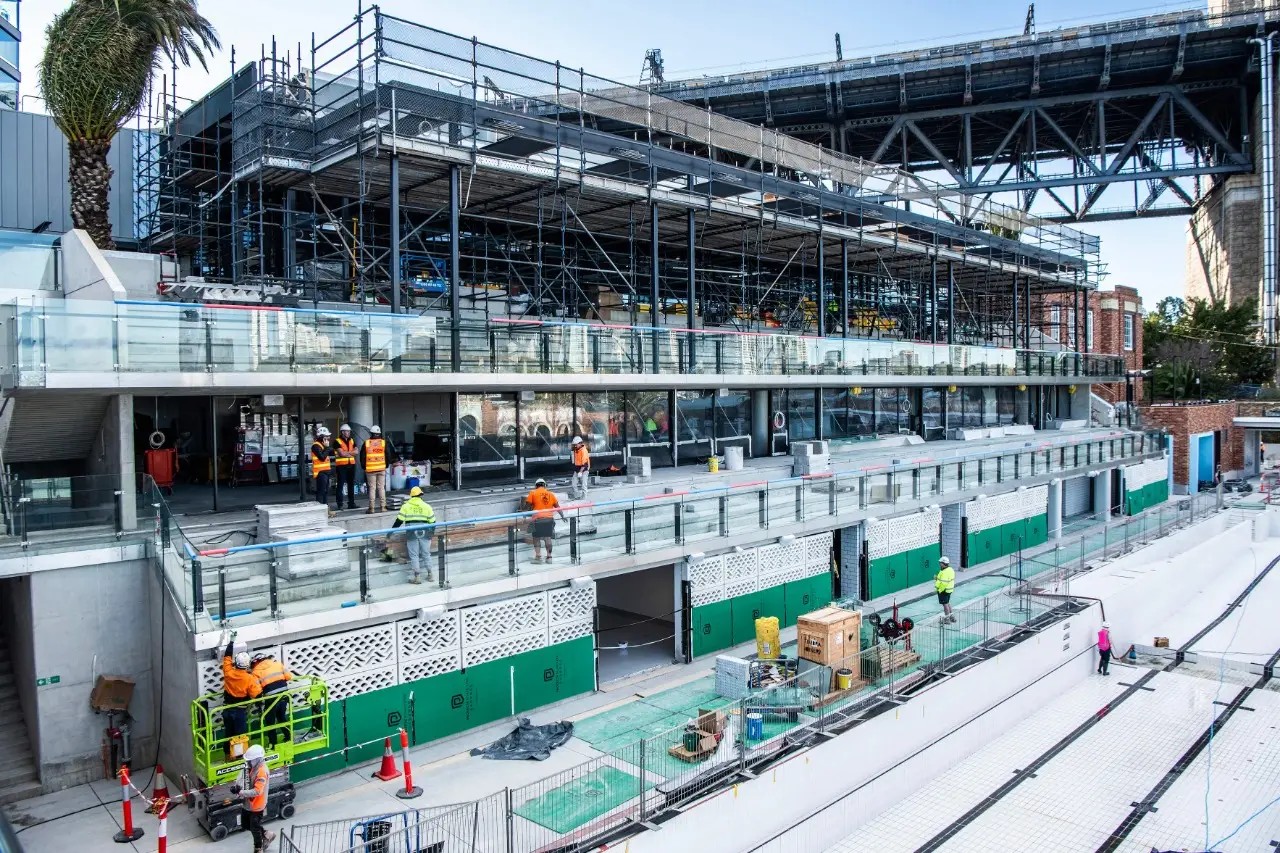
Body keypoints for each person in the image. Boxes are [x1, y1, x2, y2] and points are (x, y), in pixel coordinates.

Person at [219, 634, 261, 760]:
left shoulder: (228, 672)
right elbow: (256, 694)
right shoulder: (249, 678)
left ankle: (228, 755)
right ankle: (239, 757)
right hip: (239, 711)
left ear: (236, 663)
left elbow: (227, 657)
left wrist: (231, 642)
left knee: (228, 733)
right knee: (240, 735)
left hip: (227, 709)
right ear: (247, 665)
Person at [387, 486, 437, 584]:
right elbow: (433, 522)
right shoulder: (427, 506)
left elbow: (399, 521)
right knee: (426, 554)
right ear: (421, 495)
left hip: (411, 533)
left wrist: (390, 532)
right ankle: (430, 574)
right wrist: (431, 534)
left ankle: (417, 577)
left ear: (411, 496)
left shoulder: (405, 506)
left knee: (414, 555)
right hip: (425, 532)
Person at [249, 653, 293, 748]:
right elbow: (289, 677)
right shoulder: (277, 664)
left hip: (271, 699)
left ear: (256, 662)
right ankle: (289, 737)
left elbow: (256, 692)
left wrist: (258, 701)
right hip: (284, 696)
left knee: (270, 721)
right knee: (281, 717)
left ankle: (273, 744)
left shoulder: (255, 672)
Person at [238, 744, 274, 852]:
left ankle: (258, 848)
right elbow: (244, 778)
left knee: (254, 828)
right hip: (248, 803)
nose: (248, 762)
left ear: (257, 759)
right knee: (245, 824)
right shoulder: (252, 767)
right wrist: (237, 786)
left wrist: (241, 792)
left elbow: (257, 791)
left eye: (250, 760)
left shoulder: (262, 771)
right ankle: (267, 834)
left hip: (257, 805)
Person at [524, 478, 566, 564]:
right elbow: (557, 507)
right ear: (545, 485)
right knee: (547, 538)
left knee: (536, 538)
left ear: (536, 486)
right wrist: (563, 516)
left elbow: (527, 507)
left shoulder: (532, 493)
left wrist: (524, 515)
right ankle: (549, 557)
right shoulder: (551, 494)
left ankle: (538, 557)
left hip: (537, 519)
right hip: (549, 519)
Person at [361, 426, 395, 514]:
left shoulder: (366, 443)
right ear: (379, 433)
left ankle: (371, 508)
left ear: (371, 433)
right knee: (381, 488)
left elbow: (362, 456)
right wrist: (386, 465)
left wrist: (364, 467)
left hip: (370, 469)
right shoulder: (383, 442)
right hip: (381, 468)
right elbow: (388, 454)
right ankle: (383, 507)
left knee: (372, 488)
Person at [333, 424, 358, 511]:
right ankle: (340, 504)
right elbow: (341, 454)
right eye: (347, 431)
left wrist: (346, 453)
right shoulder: (337, 441)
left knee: (351, 484)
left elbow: (356, 451)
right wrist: (351, 453)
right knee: (340, 484)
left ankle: (351, 503)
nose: (349, 433)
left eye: (349, 431)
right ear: (343, 432)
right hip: (341, 466)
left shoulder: (352, 440)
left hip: (351, 465)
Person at [310, 427, 332, 509]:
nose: (328, 438)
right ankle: (319, 509)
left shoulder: (323, 445)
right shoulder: (316, 446)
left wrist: (327, 448)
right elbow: (322, 457)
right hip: (320, 472)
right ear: (322, 436)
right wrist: (327, 448)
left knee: (325, 491)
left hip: (326, 471)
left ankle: (326, 509)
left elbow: (332, 452)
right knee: (321, 492)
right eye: (327, 436)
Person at [935, 556, 956, 624]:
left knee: (945, 604)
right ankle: (952, 617)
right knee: (947, 602)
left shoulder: (944, 572)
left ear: (943, 563)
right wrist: (937, 578)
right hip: (949, 590)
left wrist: (939, 590)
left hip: (944, 590)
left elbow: (943, 583)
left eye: (940, 563)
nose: (939, 564)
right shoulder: (950, 569)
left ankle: (947, 619)